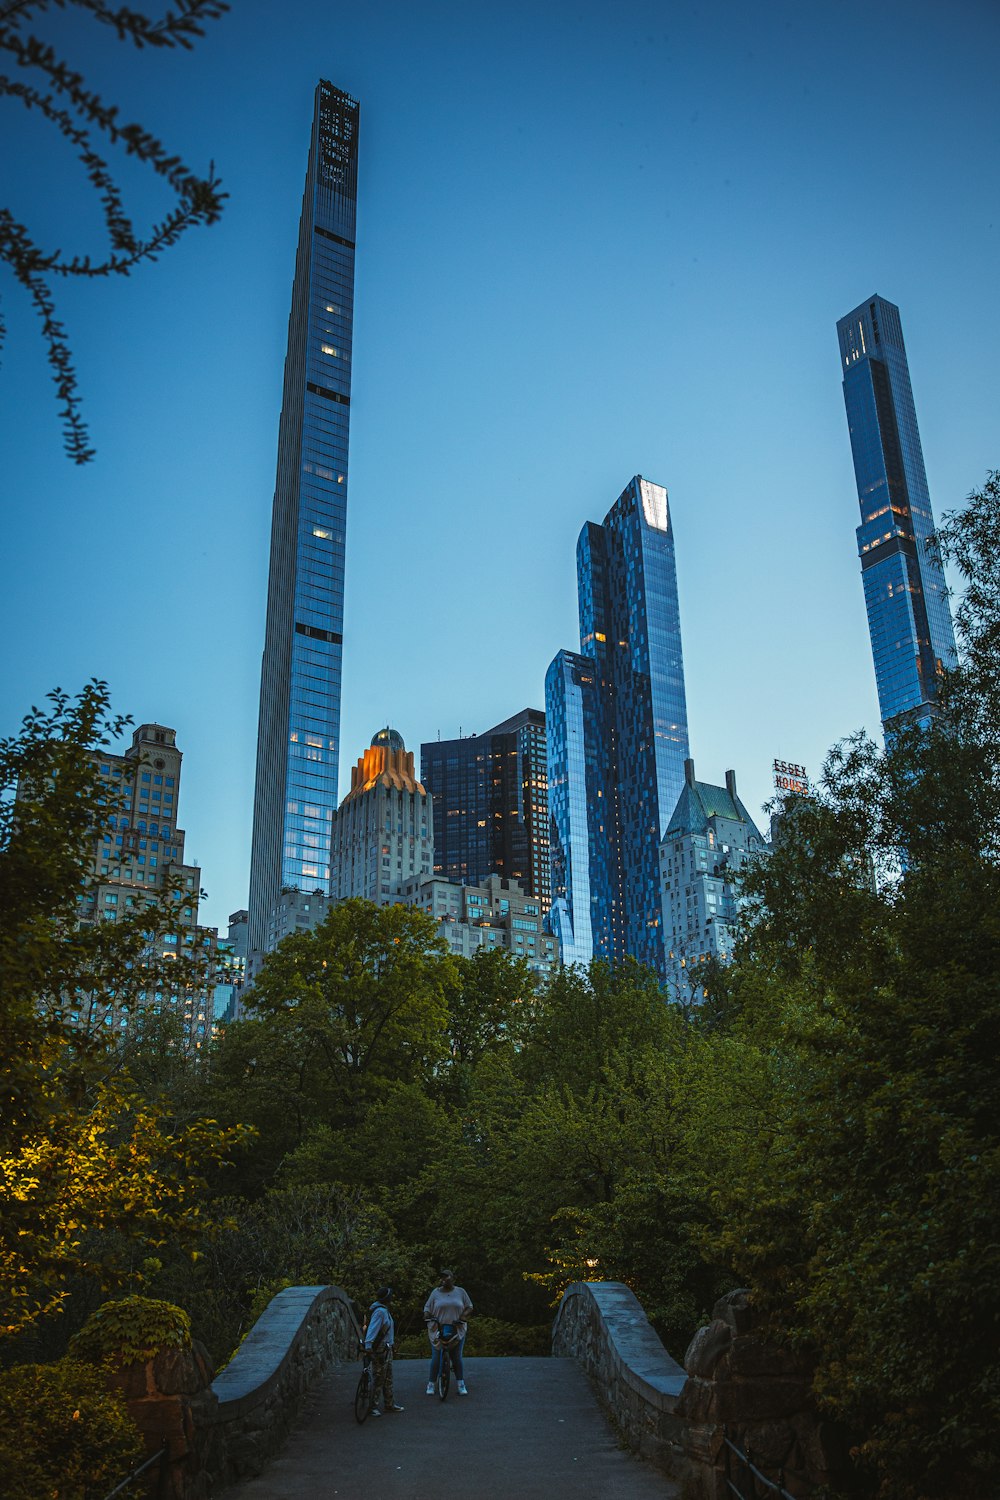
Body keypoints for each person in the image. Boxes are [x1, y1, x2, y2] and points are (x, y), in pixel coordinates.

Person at [423, 1268, 473, 1396]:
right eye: (442, 1277)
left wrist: (463, 1316)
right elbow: (427, 1308)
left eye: (447, 1277)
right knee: (436, 1356)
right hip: (438, 1328)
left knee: (456, 1357)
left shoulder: (460, 1292)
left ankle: (461, 1384)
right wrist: (427, 1315)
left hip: (456, 1328)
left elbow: (469, 1306)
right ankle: (431, 1384)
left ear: (452, 1278)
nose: (444, 1279)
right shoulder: (435, 1292)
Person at [364, 1286, 404, 1415]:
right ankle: (372, 1407)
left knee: (388, 1377)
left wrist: (392, 1345)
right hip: (380, 1349)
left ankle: (389, 1403)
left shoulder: (384, 1310)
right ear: (386, 1298)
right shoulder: (380, 1312)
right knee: (379, 1377)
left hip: (387, 1348)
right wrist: (368, 1346)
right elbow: (373, 1329)